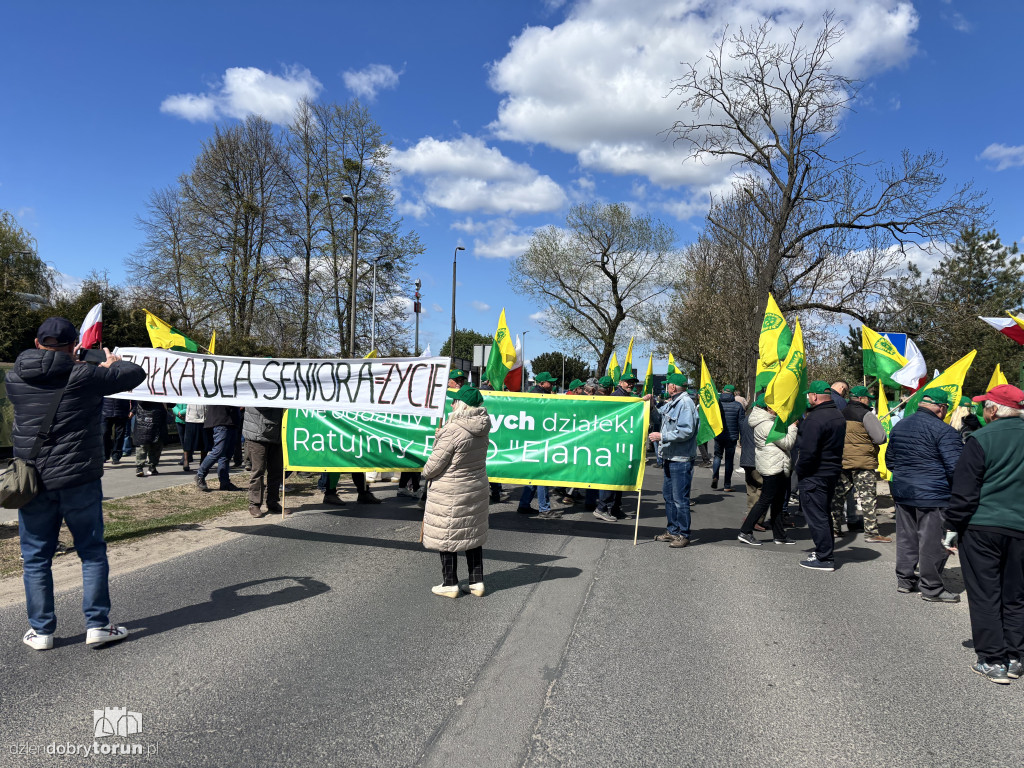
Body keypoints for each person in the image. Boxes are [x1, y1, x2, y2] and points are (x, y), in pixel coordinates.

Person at [8, 317, 146, 650]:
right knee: (92, 553)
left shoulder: (14, 377)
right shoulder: (84, 374)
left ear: (37, 343)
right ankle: (97, 625)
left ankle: (41, 632)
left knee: (37, 558)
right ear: (74, 345)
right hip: (79, 478)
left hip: (33, 480)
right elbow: (135, 374)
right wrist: (112, 362)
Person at [944, 384, 1024, 684]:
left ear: (994, 410)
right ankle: (1016, 656)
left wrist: (951, 527)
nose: (982, 412)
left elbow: (964, 492)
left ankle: (993, 660)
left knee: (985, 594)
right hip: (1020, 527)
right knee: (1016, 595)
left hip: (983, 527)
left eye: (985, 406)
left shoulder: (980, 439)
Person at [886, 388, 963, 601]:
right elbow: (956, 468)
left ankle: (905, 580)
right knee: (932, 542)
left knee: (906, 537)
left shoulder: (900, 426)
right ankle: (932, 588)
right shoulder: (945, 431)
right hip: (933, 494)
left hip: (904, 491)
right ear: (941, 408)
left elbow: (889, 461)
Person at [421, 384, 492, 598]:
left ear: (460, 405)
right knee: (472, 534)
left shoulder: (452, 430)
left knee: (448, 535)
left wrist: (438, 440)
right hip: (475, 487)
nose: (451, 404)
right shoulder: (482, 427)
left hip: (450, 490)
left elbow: (433, 466)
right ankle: (476, 582)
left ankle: (449, 583)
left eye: (454, 401)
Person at [794, 380, 847, 571]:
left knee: (817, 517)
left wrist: (799, 471)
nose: (808, 398)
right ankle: (824, 552)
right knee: (823, 514)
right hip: (830, 472)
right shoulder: (837, 415)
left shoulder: (815, 420)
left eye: (809, 395)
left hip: (815, 475)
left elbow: (808, 452)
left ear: (814, 396)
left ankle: (825, 557)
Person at [831, 385, 890, 542]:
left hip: (843, 461)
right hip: (863, 463)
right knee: (868, 498)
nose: (869, 401)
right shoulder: (866, 415)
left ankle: (834, 529)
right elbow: (880, 438)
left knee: (838, 497)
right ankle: (871, 533)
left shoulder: (840, 413)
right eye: (868, 398)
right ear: (862, 399)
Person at [738, 395, 799, 546]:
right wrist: (792, 427)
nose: (778, 411)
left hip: (776, 464)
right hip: (772, 466)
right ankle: (745, 531)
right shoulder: (766, 424)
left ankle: (779, 535)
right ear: (768, 408)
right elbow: (787, 443)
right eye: (776, 408)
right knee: (765, 500)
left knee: (777, 501)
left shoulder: (767, 422)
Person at [648, 373, 698, 548]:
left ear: (673, 387)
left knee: (679, 499)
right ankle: (673, 530)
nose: (666, 386)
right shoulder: (673, 403)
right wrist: (651, 406)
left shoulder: (685, 404)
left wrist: (662, 436)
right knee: (669, 497)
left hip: (680, 458)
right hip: (670, 456)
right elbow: (659, 418)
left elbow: (686, 431)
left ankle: (683, 534)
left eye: (667, 384)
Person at [518, 372, 560, 519]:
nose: (553, 384)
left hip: (534, 441)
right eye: (550, 382)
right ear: (541, 384)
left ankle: (524, 505)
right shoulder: (538, 398)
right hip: (539, 441)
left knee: (534, 474)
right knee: (541, 474)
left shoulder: (536, 395)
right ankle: (544, 509)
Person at [242, 406, 283, 518]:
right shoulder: (258, 389)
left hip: (277, 433)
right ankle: (254, 504)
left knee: (276, 470)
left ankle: (272, 502)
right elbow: (261, 405)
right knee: (258, 470)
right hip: (257, 433)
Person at [196, 405, 241, 492]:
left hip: (233, 421)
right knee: (218, 451)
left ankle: (224, 482)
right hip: (221, 419)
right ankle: (200, 475)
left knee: (227, 454)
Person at [712, 384, 744, 490]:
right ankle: (727, 485)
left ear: (723, 391)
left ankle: (715, 476)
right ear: (733, 393)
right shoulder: (738, 406)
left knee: (717, 456)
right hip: (732, 436)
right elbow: (741, 423)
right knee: (729, 460)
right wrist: (741, 438)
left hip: (718, 435)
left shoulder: (717, 404)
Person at [738, 394, 763, 527]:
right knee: (762, 491)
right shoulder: (763, 421)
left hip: (746, 459)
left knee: (751, 490)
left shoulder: (748, 419)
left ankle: (750, 515)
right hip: (757, 460)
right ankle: (756, 519)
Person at [130, 400, 166, 477]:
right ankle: (144, 467)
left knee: (152, 445)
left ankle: (147, 467)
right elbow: (141, 402)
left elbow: (172, 404)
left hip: (152, 419)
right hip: (149, 418)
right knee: (145, 445)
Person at [101, 396, 130, 465]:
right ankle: (105, 455)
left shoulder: (125, 385)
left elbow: (133, 394)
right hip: (106, 412)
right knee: (105, 434)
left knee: (119, 436)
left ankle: (116, 456)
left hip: (122, 412)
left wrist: (133, 410)